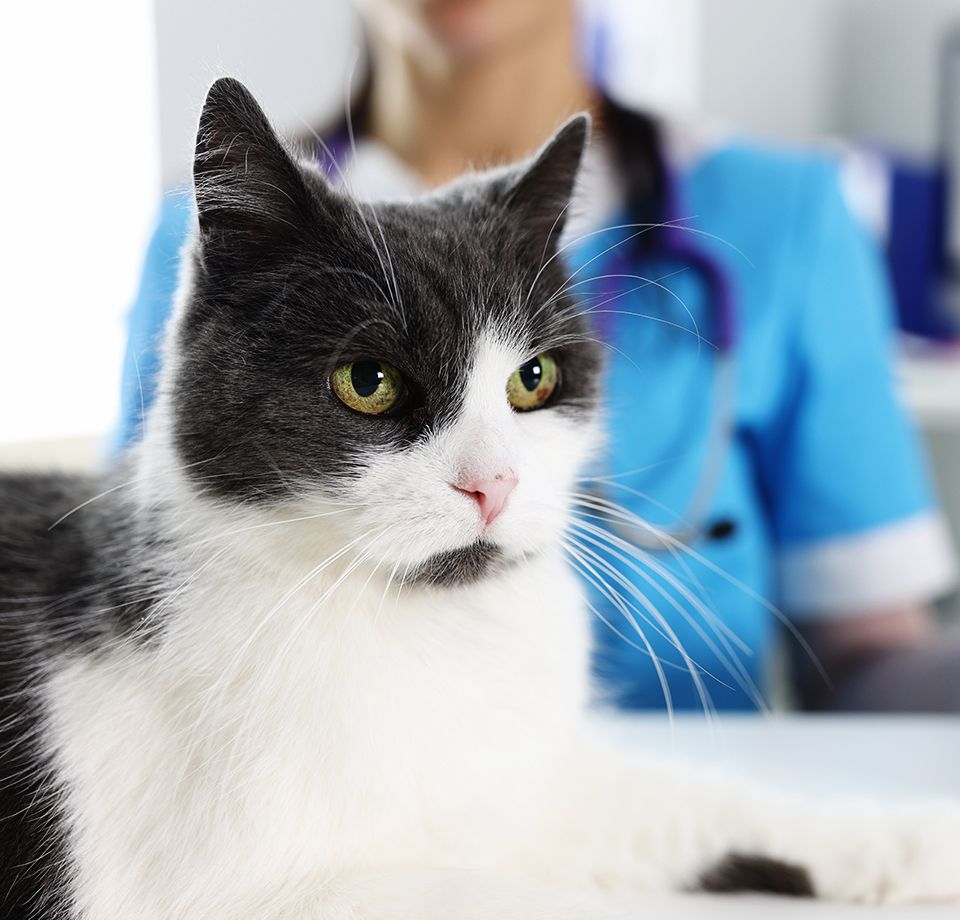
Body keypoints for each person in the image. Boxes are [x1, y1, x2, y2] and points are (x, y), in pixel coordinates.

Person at [118, 0, 959, 711]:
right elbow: (144, 581)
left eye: (532, 380)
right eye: (369, 380)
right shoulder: (218, 233)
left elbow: (865, 649)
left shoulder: (784, 214)